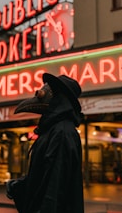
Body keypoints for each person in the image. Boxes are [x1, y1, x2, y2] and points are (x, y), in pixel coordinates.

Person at [6, 73, 84, 213]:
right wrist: (23, 185)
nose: (41, 93)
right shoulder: (54, 130)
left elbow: (55, 187)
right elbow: (44, 175)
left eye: (46, 90)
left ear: (58, 98)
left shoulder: (62, 132)